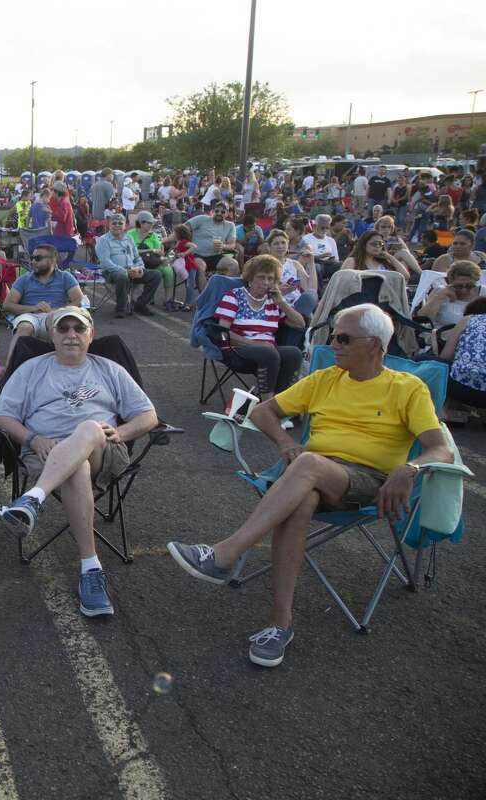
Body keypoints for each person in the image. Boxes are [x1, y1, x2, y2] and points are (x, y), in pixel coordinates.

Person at [168, 304, 452, 667]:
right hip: (312, 476)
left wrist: (410, 468)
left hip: (367, 482)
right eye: (333, 335)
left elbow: (440, 448)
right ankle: (279, 625)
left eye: (345, 338)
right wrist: (286, 443)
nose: (334, 343)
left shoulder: (407, 388)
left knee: (308, 465)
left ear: (376, 344)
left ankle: (226, 553)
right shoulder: (325, 378)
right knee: (300, 501)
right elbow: (262, 411)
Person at [0, 306, 158, 617]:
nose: (71, 335)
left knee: (89, 428)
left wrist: (121, 432)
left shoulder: (109, 369)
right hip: (45, 452)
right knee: (75, 466)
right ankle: (90, 568)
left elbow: (149, 417)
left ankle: (32, 499)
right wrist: (32, 439)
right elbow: (2, 416)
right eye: (63, 329)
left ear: (90, 335)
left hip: (104, 450)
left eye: (78, 329)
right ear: (51, 335)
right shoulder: (31, 369)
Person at [214, 255, 305, 403]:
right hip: (237, 349)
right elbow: (221, 332)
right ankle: (267, 407)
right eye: (261, 277)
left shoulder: (273, 301)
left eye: (270, 279)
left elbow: (300, 324)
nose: (266, 282)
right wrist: (253, 344)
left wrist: (281, 302)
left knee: (294, 353)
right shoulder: (234, 296)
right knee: (269, 352)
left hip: (268, 351)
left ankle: (278, 402)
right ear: (250, 279)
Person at [1, 243, 85, 363]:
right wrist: (34, 308)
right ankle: (10, 369)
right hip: (29, 315)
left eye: (38, 258)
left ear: (52, 260)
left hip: (55, 314)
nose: (33, 262)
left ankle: (64, 365)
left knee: (54, 322)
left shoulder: (65, 277)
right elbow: (7, 305)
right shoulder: (24, 279)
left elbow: (79, 300)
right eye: (32, 258)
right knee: (24, 327)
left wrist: (58, 310)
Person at [96, 215, 161, 318]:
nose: (117, 225)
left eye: (120, 223)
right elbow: (105, 262)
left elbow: (136, 257)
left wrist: (140, 268)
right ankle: (120, 308)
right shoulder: (103, 240)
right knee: (122, 276)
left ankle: (139, 305)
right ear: (109, 225)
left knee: (156, 275)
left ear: (125, 226)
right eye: (114, 223)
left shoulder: (129, 238)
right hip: (111, 272)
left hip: (132, 269)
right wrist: (124, 271)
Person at [438, 297, 486, 410]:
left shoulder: (468, 320)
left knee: (427, 362)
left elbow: (446, 356)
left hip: (461, 389)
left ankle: (441, 411)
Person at [127, 211, 175, 310]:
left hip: (152, 262)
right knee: (151, 273)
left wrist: (162, 256)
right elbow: (131, 251)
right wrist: (149, 250)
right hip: (136, 262)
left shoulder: (153, 235)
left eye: (152, 223)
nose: (152, 225)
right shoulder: (130, 234)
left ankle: (168, 300)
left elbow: (159, 252)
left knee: (168, 270)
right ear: (141, 223)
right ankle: (137, 300)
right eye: (149, 223)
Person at [417, 261, 483, 328]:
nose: (464, 290)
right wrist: (438, 297)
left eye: (469, 286)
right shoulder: (439, 291)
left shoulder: (483, 293)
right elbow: (423, 318)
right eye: (458, 286)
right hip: (444, 334)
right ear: (450, 281)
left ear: (476, 281)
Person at [186, 202, 237, 274]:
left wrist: (223, 246)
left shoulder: (230, 225)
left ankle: (225, 284)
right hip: (197, 255)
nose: (219, 213)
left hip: (216, 256)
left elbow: (232, 245)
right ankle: (203, 285)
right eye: (217, 211)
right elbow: (183, 229)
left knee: (234, 264)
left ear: (227, 213)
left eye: (223, 212)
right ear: (213, 211)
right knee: (200, 267)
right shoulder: (202, 219)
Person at [341, 230, 411, 280]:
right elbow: (343, 282)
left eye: (380, 244)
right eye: (374, 244)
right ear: (364, 245)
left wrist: (391, 257)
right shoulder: (353, 261)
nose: (378, 246)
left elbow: (405, 276)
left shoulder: (384, 262)